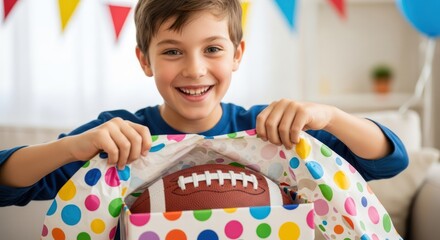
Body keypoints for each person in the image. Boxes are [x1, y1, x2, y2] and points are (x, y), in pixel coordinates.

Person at [0, 0, 408, 238]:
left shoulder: (268, 128)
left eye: (212, 49)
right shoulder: (120, 136)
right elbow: (5, 184)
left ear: (237, 54)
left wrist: (329, 116)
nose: (195, 69)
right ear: (145, 60)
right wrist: (75, 146)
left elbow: (390, 160)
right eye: (173, 51)